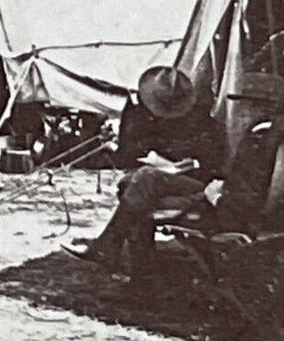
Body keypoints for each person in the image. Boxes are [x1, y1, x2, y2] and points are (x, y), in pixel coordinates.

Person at [64, 65, 246, 274]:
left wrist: (186, 161)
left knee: (143, 178)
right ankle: (140, 265)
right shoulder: (140, 114)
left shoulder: (199, 119)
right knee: (130, 183)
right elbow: (127, 156)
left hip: (198, 184)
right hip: (161, 179)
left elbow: (213, 162)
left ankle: (109, 247)